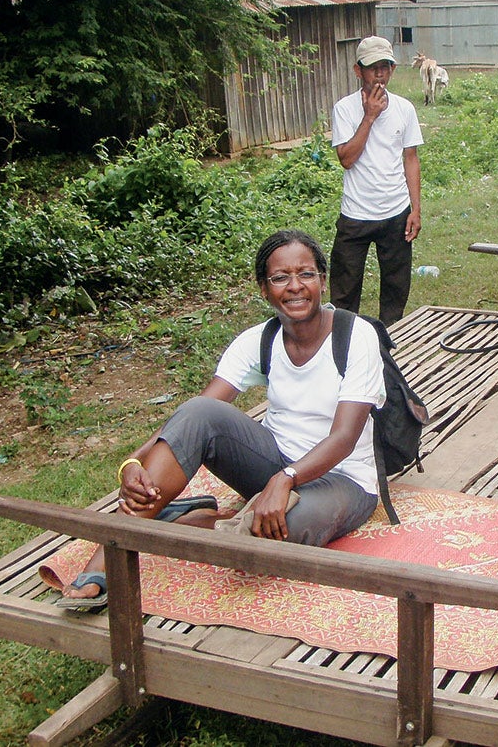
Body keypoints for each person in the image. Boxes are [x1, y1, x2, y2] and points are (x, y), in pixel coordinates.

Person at [57, 230, 385, 608]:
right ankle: (108, 554)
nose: (295, 287)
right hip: (273, 464)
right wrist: (133, 460)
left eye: (306, 274)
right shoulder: (257, 340)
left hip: (344, 478)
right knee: (199, 411)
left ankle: (194, 519)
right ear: (264, 289)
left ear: (322, 282)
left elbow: (345, 436)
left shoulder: (355, 335)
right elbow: (193, 416)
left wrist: (286, 479)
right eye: (280, 278)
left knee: (283, 532)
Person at [329, 35, 423, 325]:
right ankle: (342, 343)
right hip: (356, 214)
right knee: (344, 291)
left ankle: (389, 340)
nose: (380, 74)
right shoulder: (344, 109)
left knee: (396, 288)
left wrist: (415, 210)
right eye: (373, 68)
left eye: (386, 66)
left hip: (396, 211)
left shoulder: (405, 109)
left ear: (393, 69)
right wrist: (369, 116)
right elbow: (346, 159)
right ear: (358, 71)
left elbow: (410, 158)